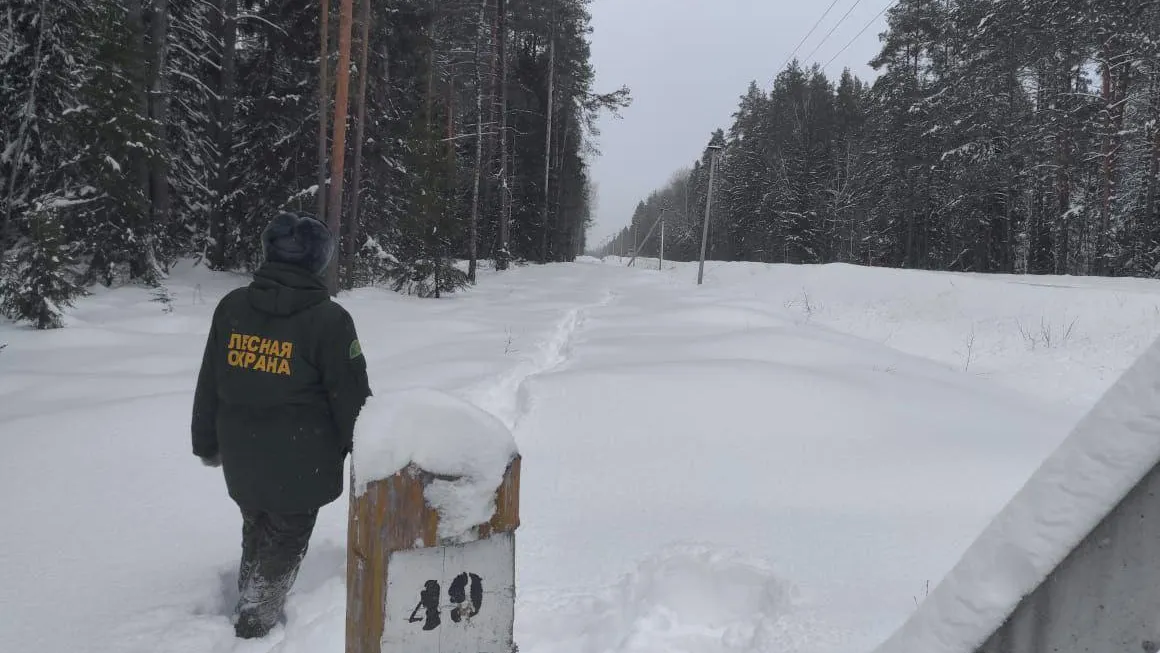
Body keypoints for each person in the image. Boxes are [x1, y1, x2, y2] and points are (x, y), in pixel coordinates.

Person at [191, 211, 371, 639]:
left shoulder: (233, 307)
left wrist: (206, 442)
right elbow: (351, 397)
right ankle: (255, 623)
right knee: (285, 538)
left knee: (256, 524)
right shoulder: (330, 320)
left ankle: (250, 599)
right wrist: (366, 453)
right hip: (301, 462)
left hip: (243, 454)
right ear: (318, 261)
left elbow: (209, 381)